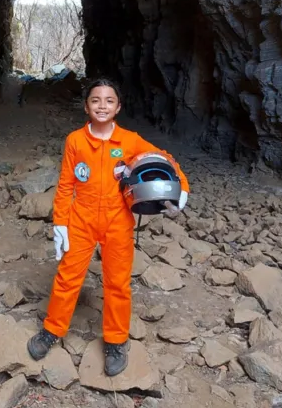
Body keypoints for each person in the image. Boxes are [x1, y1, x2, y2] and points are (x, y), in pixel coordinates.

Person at [27, 78, 189, 376]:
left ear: (118, 107)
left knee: (117, 283)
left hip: (118, 221)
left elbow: (164, 158)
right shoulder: (75, 140)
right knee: (67, 277)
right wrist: (60, 223)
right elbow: (65, 185)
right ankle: (52, 330)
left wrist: (181, 189)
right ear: (86, 106)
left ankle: (116, 341)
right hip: (82, 219)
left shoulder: (129, 140)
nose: (102, 106)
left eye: (109, 101)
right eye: (96, 100)